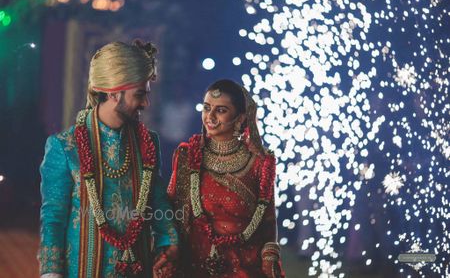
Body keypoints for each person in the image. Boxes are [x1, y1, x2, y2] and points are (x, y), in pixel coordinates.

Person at [38, 40, 178, 278]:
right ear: (114, 93)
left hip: (138, 269)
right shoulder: (65, 147)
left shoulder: (147, 143)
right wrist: (51, 273)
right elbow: (53, 218)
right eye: (140, 94)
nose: (145, 103)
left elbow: (157, 201)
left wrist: (169, 242)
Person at [168, 79, 285, 277]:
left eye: (220, 110)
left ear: (240, 118)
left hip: (245, 266)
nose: (210, 117)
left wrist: (269, 258)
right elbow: (172, 212)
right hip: (195, 265)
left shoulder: (259, 163)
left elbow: (268, 222)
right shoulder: (188, 156)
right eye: (206, 108)